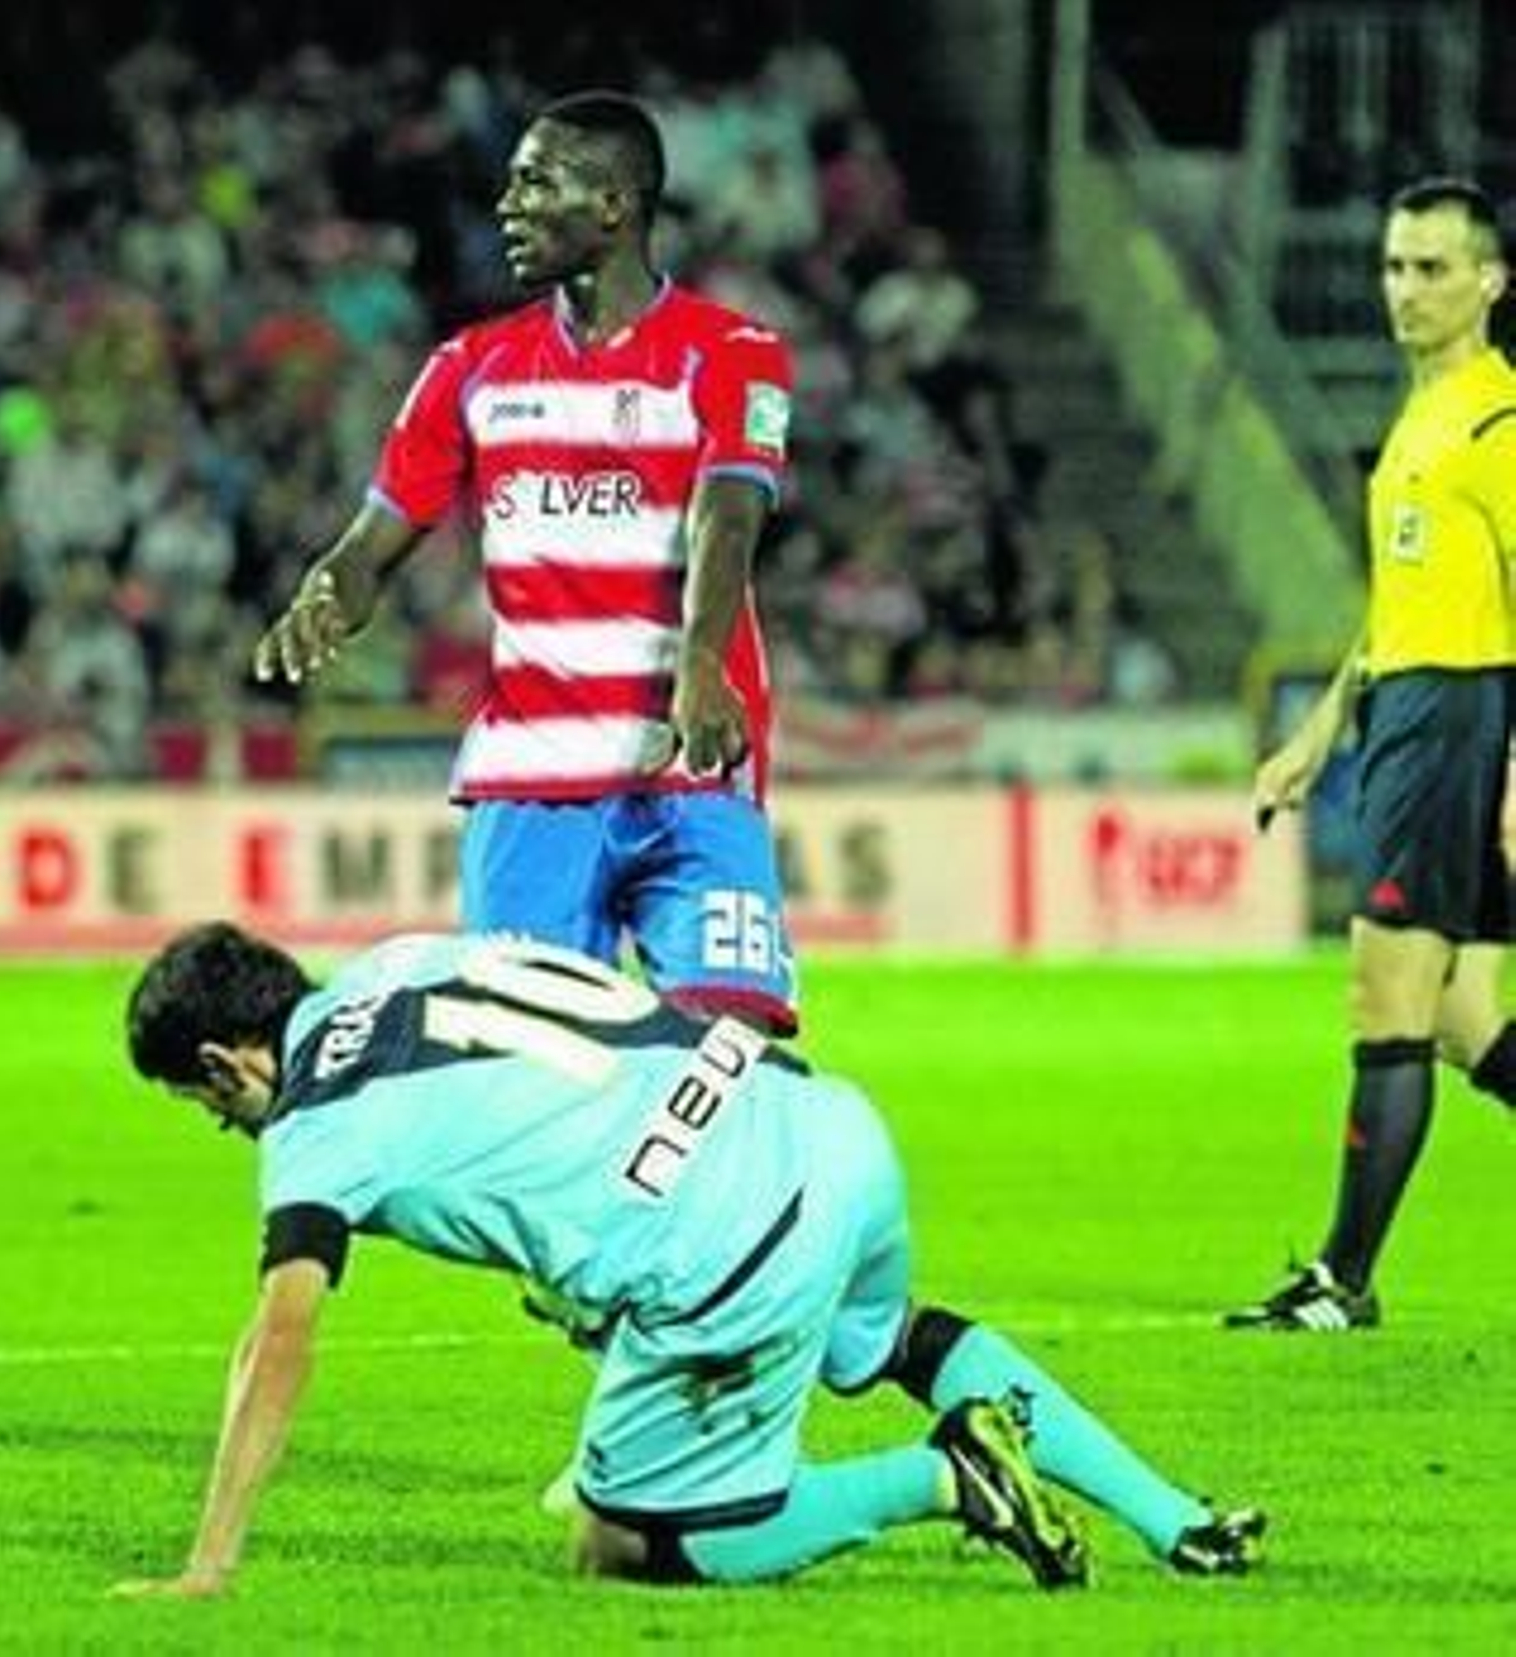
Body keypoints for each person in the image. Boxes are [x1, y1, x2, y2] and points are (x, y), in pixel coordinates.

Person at [112, 922, 1266, 1598]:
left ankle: (943, 1479)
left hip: (729, 1241)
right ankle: (1177, 1519)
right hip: (822, 1126)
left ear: (225, 1063)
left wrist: (209, 1560)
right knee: (897, 1336)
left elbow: (283, 1333)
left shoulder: (317, 1127)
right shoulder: (397, 957)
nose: (223, 1127)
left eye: (201, 1103)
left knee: (616, 1539)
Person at [252, 89, 798, 1037]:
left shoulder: (733, 353)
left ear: (616, 205)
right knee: (539, 1066)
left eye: (536, 184)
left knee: (730, 1046)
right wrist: (329, 588)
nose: (507, 208)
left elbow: (728, 516)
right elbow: (373, 540)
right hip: (530, 781)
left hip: (692, 763)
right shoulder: (470, 369)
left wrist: (700, 662)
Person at [1227, 177, 1516, 1331]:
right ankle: (1345, 1277)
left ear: (1489, 280)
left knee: (1383, 995)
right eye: (1395, 266)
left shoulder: (1496, 420)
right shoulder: (1425, 415)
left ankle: (1343, 1280)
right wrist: (1316, 729)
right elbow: (1401, 603)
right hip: (1411, 706)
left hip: (1457, 721)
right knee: (1460, 1016)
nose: (1405, 289)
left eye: (1432, 268)